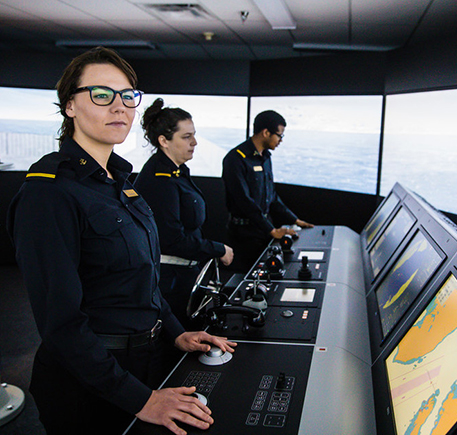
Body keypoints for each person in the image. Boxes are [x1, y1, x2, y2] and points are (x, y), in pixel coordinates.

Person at [6, 47, 236, 435]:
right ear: (70, 107)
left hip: (148, 358)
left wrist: (176, 331)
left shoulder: (120, 183)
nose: (119, 107)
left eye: (127, 96)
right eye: (101, 94)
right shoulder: (48, 194)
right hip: (89, 385)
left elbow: (142, 282)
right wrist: (140, 399)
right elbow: (62, 325)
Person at [134, 98, 234, 328]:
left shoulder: (176, 171)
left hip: (184, 275)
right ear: (164, 141)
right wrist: (217, 249)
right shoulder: (160, 181)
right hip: (169, 281)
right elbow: (171, 240)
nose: (195, 142)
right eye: (186, 136)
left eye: (194, 135)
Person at [222, 110, 314, 272]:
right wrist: (271, 230)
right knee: (245, 280)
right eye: (279, 135)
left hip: (263, 230)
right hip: (244, 235)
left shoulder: (265, 157)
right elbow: (243, 200)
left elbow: (272, 196)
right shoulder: (235, 159)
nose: (280, 140)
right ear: (266, 133)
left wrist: (295, 220)